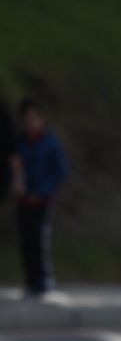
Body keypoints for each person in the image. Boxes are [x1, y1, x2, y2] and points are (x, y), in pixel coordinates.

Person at [14, 100, 69, 299]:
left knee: (40, 240)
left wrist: (42, 191)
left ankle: (43, 280)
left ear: (41, 119)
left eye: (34, 119)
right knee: (26, 241)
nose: (30, 123)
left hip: (43, 200)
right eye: (27, 119)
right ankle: (30, 282)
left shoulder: (50, 143)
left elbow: (60, 171)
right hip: (24, 199)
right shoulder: (19, 142)